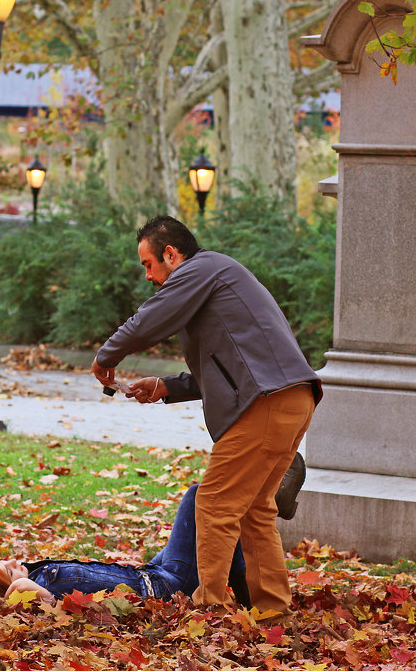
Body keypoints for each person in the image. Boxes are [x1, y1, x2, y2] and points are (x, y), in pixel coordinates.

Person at [91, 215, 321, 616]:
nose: (147, 276)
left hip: (265, 404)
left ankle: (210, 615)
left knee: (213, 505)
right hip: (291, 399)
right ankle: (273, 613)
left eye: (148, 264)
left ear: (170, 253)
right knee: (255, 512)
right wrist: (165, 386)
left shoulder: (201, 268)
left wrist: (105, 357)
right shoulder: (217, 278)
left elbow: (150, 319)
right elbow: (225, 369)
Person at [0, 485, 249, 604]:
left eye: (6, 561)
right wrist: (10, 592)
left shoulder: (38, 576)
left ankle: (247, 589)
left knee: (218, 534)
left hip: (152, 571)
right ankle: (262, 498)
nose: (16, 561)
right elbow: (30, 595)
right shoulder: (41, 594)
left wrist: (7, 579)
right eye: (10, 570)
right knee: (198, 496)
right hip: (165, 585)